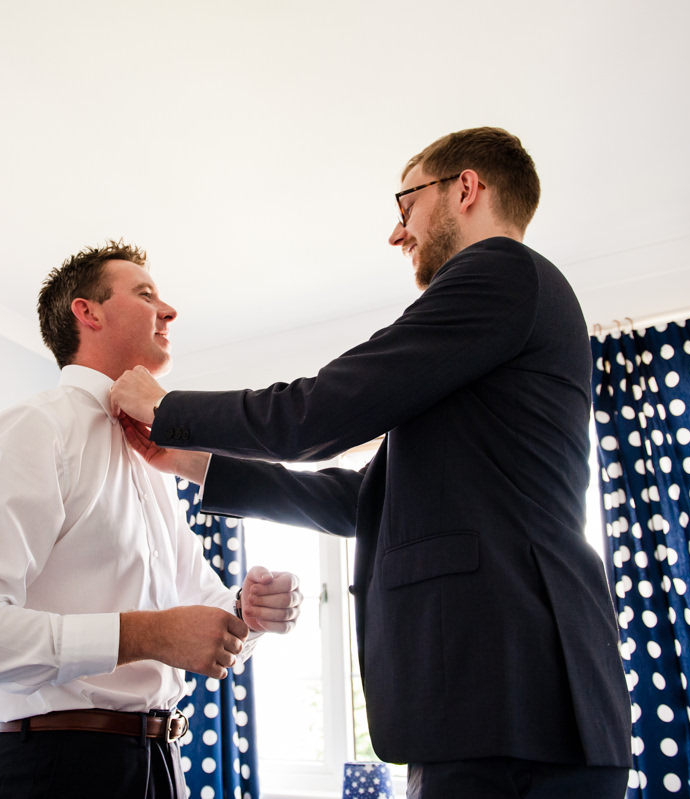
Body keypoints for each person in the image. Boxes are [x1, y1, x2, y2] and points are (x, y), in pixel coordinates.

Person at [109, 128, 633, 798]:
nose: (398, 231)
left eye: (406, 201)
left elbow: (318, 413)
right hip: (497, 711)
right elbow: (365, 500)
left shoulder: (499, 271)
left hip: (511, 696)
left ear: (465, 188)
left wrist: (167, 406)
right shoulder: (490, 335)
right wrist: (195, 462)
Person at [0, 240, 303, 799]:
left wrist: (249, 612)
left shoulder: (152, 459)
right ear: (88, 312)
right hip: (54, 773)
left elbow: (205, 613)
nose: (170, 312)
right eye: (147, 294)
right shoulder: (35, 430)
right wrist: (149, 634)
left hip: (159, 768)